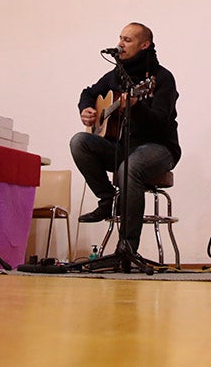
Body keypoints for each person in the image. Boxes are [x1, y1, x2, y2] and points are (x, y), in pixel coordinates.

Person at [70, 22, 179, 255]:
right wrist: (88, 108)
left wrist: (136, 106)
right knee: (79, 142)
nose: (120, 43)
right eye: (120, 38)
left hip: (158, 148)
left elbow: (160, 122)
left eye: (127, 40)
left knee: (129, 168)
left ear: (144, 45)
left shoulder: (162, 78)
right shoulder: (115, 75)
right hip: (122, 147)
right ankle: (108, 199)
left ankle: (126, 249)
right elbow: (88, 92)